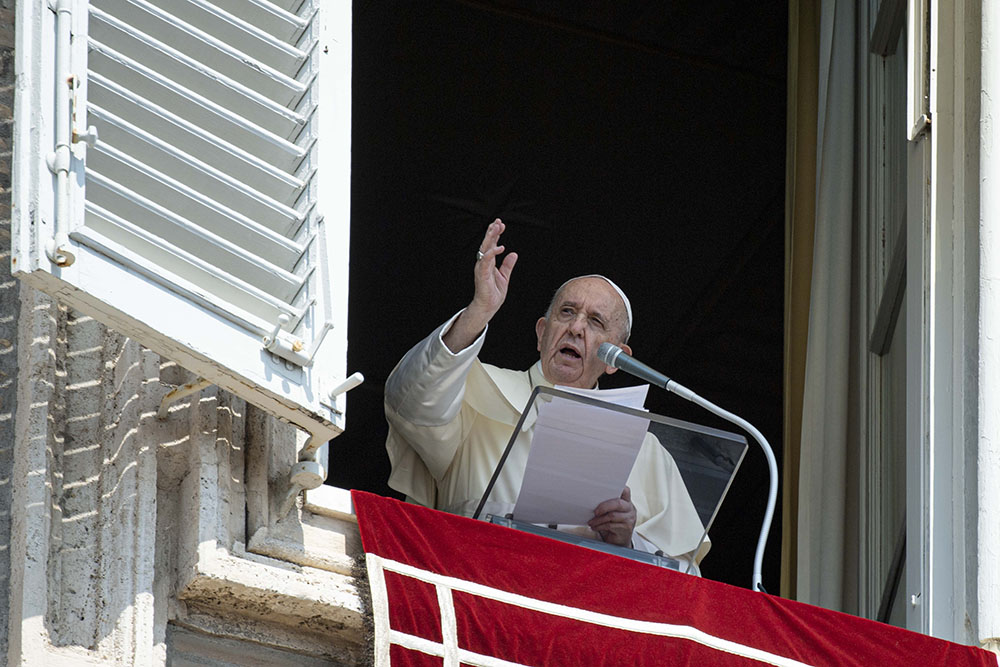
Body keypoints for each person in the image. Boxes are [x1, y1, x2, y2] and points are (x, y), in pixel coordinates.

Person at [384, 219, 708, 567]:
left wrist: (627, 542)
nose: (576, 327)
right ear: (542, 333)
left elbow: (685, 575)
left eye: (596, 322)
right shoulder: (474, 390)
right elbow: (411, 402)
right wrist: (479, 312)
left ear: (617, 359)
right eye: (567, 312)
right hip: (477, 585)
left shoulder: (648, 452)